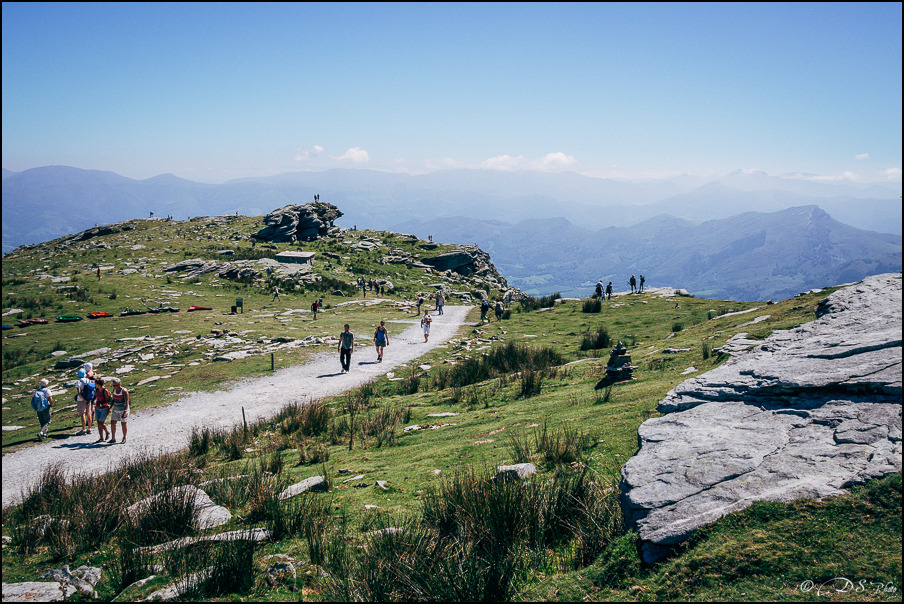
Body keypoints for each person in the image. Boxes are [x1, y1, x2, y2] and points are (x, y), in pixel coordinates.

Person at [108, 378, 130, 443]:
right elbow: (113, 399)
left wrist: (126, 411)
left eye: (115, 385)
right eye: (113, 385)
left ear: (119, 384)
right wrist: (110, 407)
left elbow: (127, 401)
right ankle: (113, 438)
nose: (114, 387)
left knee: (123, 423)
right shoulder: (114, 390)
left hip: (123, 408)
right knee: (113, 422)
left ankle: (124, 438)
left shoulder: (124, 391)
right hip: (116, 408)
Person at [75, 369, 95, 435]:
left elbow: (79, 392)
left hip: (81, 400)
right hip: (89, 399)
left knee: (82, 414)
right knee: (88, 413)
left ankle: (83, 429)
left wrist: (83, 400)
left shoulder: (79, 382)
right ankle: (89, 428)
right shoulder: (88, 380)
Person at [93, 377, 111, 443]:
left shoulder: (105, 390)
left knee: (101, 423)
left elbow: (109, 399)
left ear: (99, 384)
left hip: (104, 408)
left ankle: (107, 432)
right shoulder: (97, 390)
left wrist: (103, 404)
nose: (95, 385)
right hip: (98, 408)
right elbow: (95, 396)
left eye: (96, 383)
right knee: (98, 423)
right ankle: (101, 438)